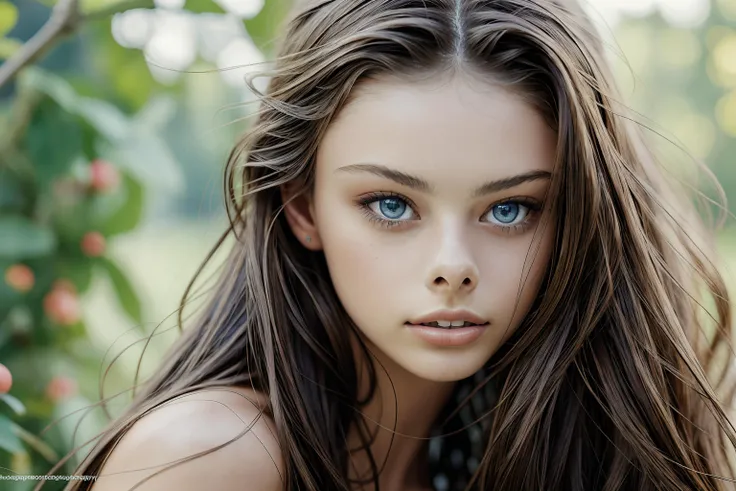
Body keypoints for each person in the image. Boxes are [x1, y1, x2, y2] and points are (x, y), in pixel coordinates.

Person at [52, 0, 736, 490]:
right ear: (301, 205)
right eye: (390, 204)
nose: (453, 267)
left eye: (509, 208)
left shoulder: (518, 443)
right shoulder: (208, 458)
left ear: (576, 217)